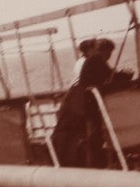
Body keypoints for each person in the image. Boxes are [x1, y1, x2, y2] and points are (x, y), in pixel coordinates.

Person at [52, 38, 133, 168]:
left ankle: (89, 163)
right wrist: (126, 76)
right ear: (103, 51)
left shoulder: (93, 60)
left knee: (88, 135)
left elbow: (107, 76)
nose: (109, 56)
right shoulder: (96, 60)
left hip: (81, 102)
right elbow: (110, 76)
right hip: (84, 103)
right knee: (92, 135)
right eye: (108, 53)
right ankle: (93, 165)